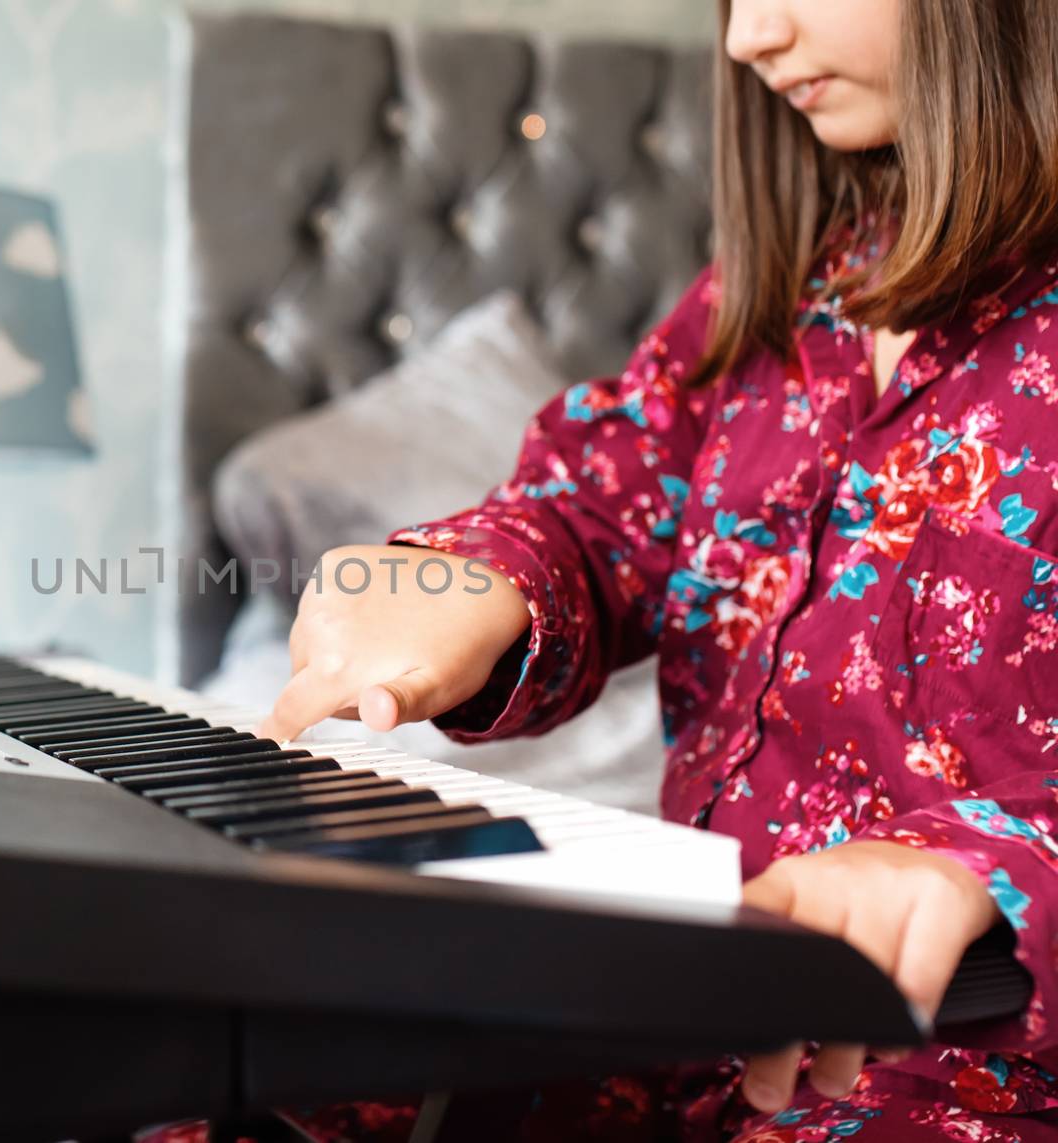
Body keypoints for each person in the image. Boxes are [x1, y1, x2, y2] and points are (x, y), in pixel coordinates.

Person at [141, 0, 1058, 1138]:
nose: (744, 39)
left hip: (967, 1068)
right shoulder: (782, 285)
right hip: (681, 1007)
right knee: (202, 1078)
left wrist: (982, 863)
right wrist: (484, 573)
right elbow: (597, 507)